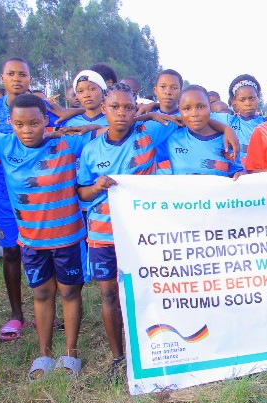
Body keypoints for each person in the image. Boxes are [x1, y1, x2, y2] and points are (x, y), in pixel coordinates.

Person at [0, 94, 99, 381]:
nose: (27, 130)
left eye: (35, 123)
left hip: (68, 239)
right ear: (10, 123)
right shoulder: (3, 145)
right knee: (41, 294)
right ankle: (44, 354)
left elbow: (108, 127)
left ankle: (70, 353)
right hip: (32, 242)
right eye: (19, 124)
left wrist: (82, 127)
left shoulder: (66, 143)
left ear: (46, 121)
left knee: (70, 293)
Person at [76, 83, 181, 383]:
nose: (121, 113)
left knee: (149, 289)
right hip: (103, 233)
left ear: (136, 109)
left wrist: (149, 113)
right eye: (114, 107)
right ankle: (117, 357)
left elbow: (186, 117)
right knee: (109, 294)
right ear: (103, 109)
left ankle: (153, 350)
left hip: (141, 233)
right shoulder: (91, 149)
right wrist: (96, 187)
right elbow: (81, 193)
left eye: (128, 107)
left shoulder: (148, 134)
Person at [0, 57, 59, 342]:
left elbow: (62, 133)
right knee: (12, 250)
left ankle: (49, 310)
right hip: (3, 189)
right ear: (1, 77)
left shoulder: (44, 108)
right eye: (11, 74)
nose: (17, 79)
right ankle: (17, 314)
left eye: (23, 74)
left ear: (30, 78)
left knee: (47, 248)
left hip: (40, 189)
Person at [158, 85, 244, 177]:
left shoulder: (227, 141)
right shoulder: (171, 138)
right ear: (179, 110)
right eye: (187, 108)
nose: (194, 114)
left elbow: (236, 172)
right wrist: (151, 109)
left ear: (210, 107)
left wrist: (240, 176)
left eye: (200, 107)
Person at [210, 74, 267, 162]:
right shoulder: (228, 121)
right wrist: (226, 128)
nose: (248, 103)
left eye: (251, 98)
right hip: (234, 170)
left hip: (259, 169)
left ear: (258, 98)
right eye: (242, 100)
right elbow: (202, 117)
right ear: (234, 102)